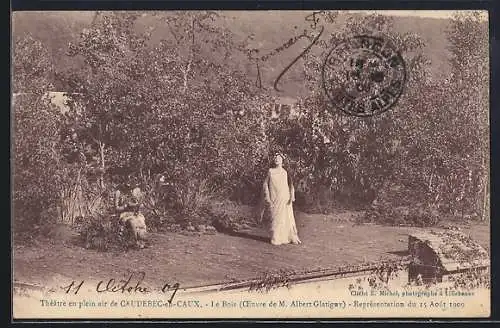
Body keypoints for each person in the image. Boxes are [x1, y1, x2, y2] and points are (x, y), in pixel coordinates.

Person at [262, 153, 302, 245]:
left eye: (279, 158)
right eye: (275, 158)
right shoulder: (270, 171)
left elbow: (290, 184)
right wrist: (267, 195)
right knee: (274, 216)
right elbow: (265, 184)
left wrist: (292, 195)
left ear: (282, 161)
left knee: (284, 217)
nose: (277, 159)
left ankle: (285, 237)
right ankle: (276, 237)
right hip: (274, 197)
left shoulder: (285, 172)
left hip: (284, 197)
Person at [114, 179, 148, 249]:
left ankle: (142, 240)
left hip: (135, 213)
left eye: (131, 178)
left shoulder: (135, 191)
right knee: (132, 222)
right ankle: (135, 241)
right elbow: (116, 208)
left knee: (141, 221)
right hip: (124, 214)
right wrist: (125, 206)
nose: (129, 180)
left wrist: (137, 205)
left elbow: (141, 205)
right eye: (127, 178)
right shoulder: (119, 192)